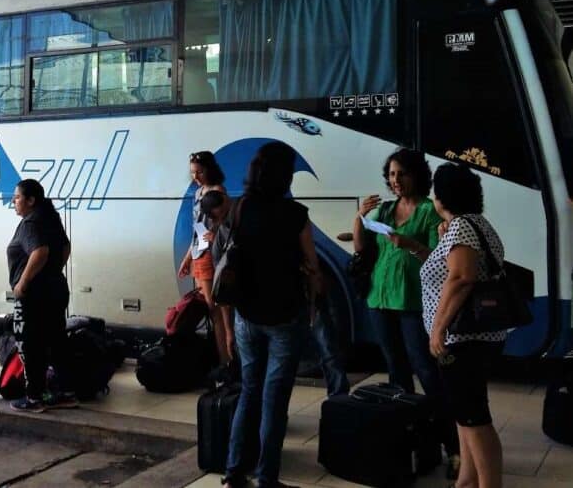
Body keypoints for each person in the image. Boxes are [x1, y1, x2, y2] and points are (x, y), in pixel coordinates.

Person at [222, 141, 323, 488]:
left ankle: (234, 471)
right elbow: (312, 266)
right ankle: (267, 477)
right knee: (274, 400)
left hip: (246, 315)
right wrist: (313, 302)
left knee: (249, 392)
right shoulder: (296, 215)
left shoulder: (239, 207)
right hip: (284, 317)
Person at [354, 147, 460, 474]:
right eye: (391, 174)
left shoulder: (430, 211)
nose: (396, 180)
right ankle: (410, 441)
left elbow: (439, 258)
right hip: (380, 298)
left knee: (427, 372)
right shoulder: (385, 210)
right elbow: (361, 247)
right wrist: (359, 217)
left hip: (413, 302)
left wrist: (411, 244)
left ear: (418, 175)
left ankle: (453, 446)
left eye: (402, 173)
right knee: (397, 373)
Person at [202, 189, 348, 397]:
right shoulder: (232, 233)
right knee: (323, 346)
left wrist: (230, 331)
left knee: (266, 375)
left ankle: (266, 414)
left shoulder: (232, 234)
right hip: (286, 301)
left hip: (270, 307)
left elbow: (222, 292)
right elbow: (223, 291)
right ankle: (337, 397)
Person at [422, 163, 506, 488]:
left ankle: (488, 484)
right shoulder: (471, 224)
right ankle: (467, 480)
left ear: (443, 196)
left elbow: (460, 278)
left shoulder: (462, 228)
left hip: (463, 337)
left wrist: (438, 328)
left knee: (474, 417)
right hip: (476, 335)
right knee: (465, 413)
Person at [7, 178, 75, 413]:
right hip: (56, 289)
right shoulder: (50, 217)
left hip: (35, 294)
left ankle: (34, 397)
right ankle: (64, 392)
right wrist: (54, 271)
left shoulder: (31, 222)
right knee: (57, 341)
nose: (13, 202)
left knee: (32, 344)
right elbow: (65, 248)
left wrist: (23, 282)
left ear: (30, 200)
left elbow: (40, 251)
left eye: (17, 197)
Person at [178, 150, 233, 363]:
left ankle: (226, 359)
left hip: (211, 253)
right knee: (210, 308)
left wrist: (215, 236)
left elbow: (224, 225)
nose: (195, 176)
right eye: (192, 172)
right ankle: (221, 358)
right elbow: (197, 229)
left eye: (199, 172)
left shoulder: (218, 191)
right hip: (198, 252)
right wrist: (187, 258)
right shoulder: (198, 192)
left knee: (216, 309)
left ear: (209, 169)